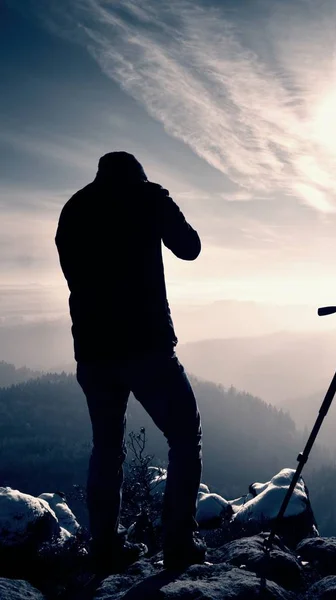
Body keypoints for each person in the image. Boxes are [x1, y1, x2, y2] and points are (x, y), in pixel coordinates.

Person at [55, 151, 205, 573]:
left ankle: (104, 547)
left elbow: (74, 273)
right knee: (184, 437)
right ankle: (178, 543)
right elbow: (189, 247)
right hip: (146, 346)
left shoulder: (74, 208)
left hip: (92, 350)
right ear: (138, 175)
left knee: (106, 448)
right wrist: (159, 199)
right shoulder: (147, 198)